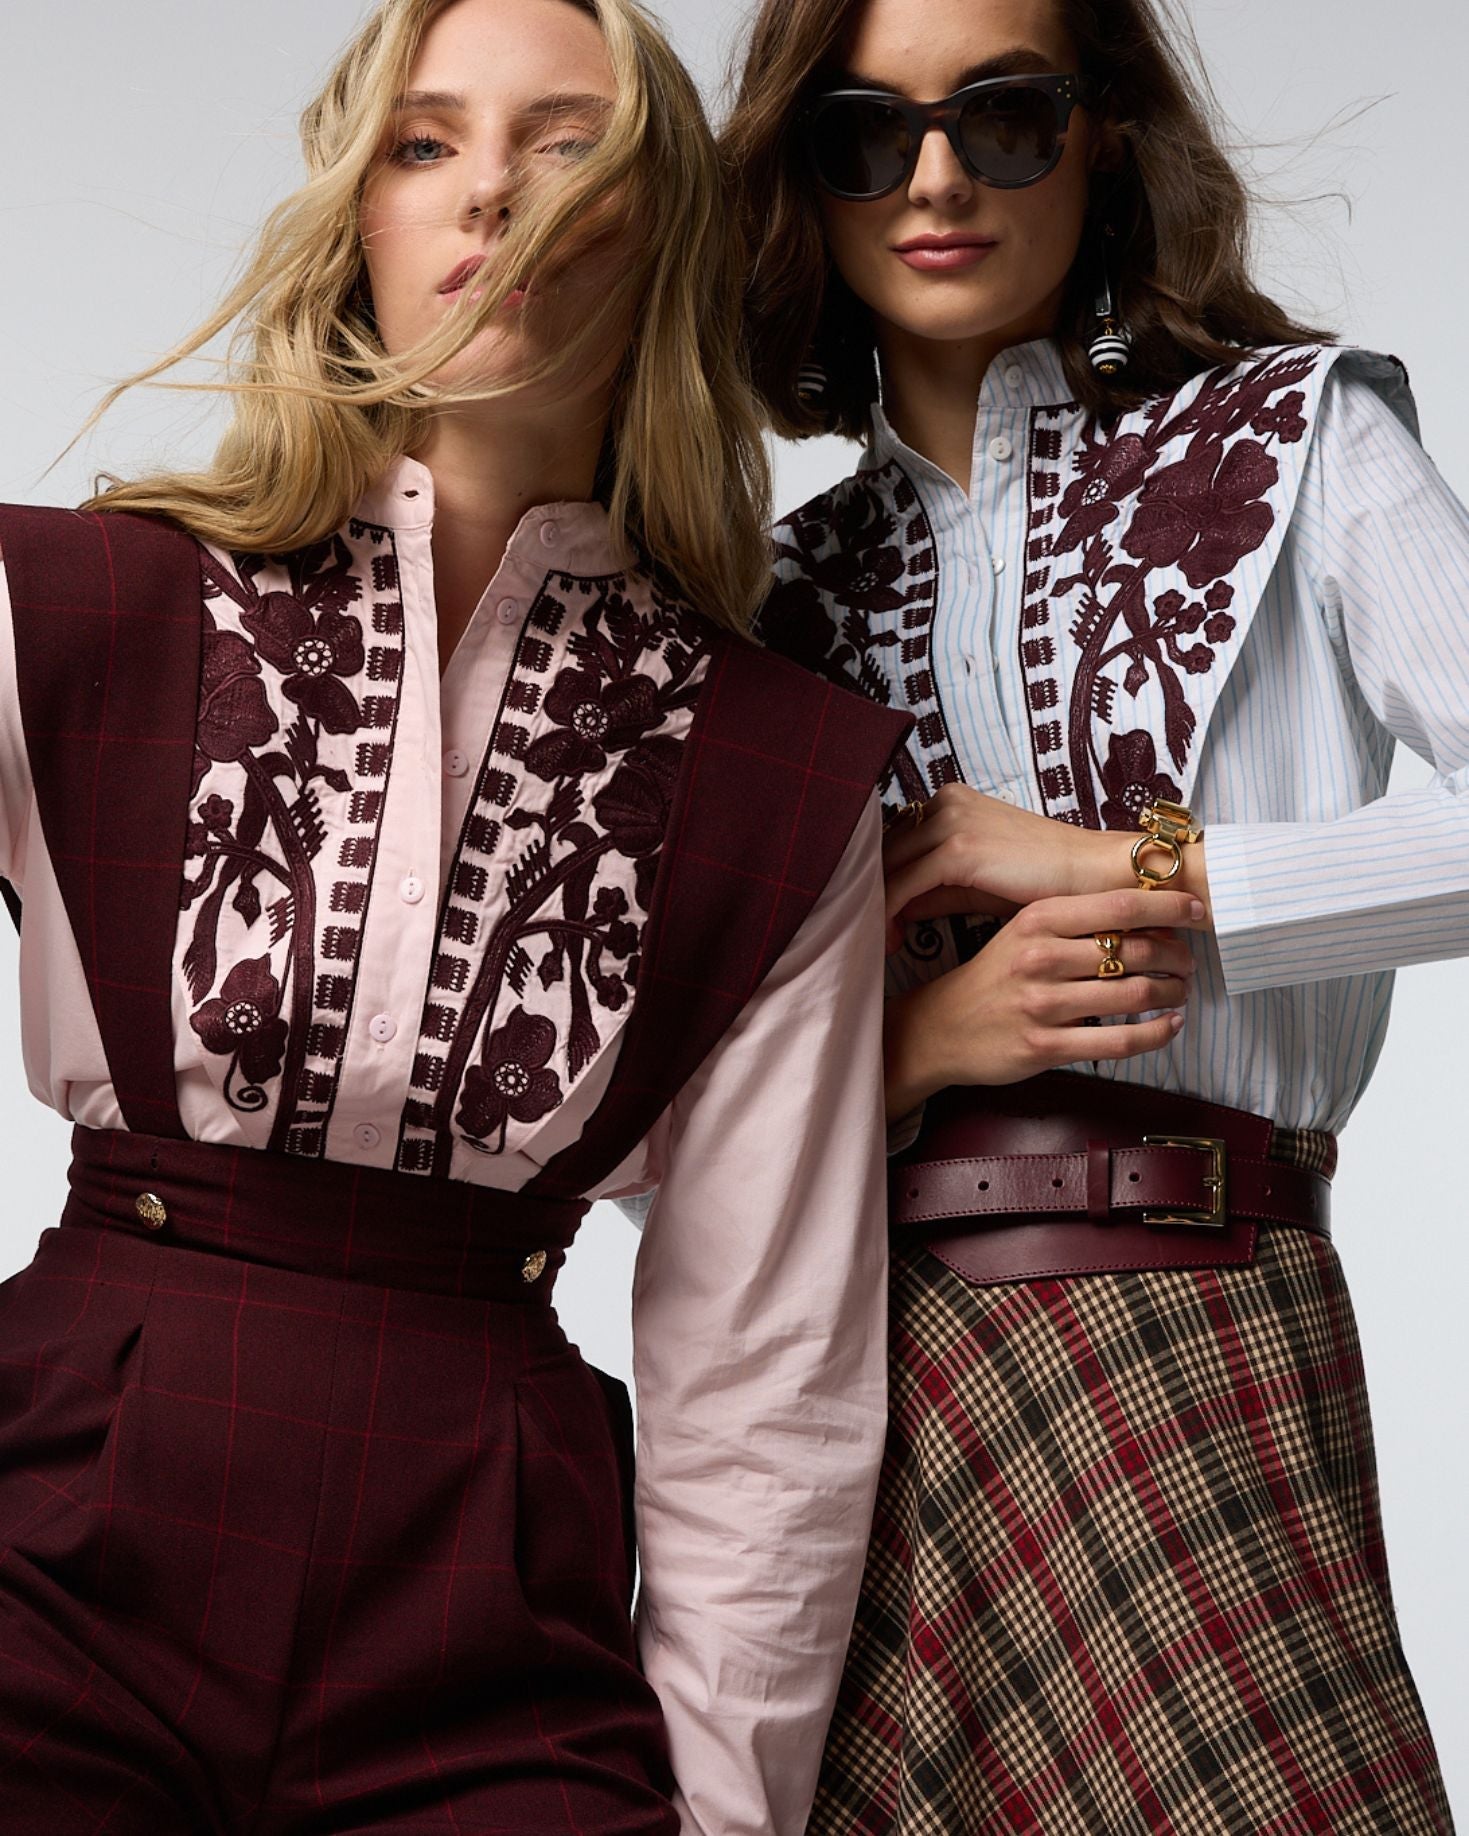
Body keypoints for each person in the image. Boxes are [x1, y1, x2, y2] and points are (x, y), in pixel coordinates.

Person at [0, 1, 909, 1830]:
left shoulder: (782, 775)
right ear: (360, 216)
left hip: (487, 1587)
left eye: (568, 145)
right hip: (62, 1519)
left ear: (664, 232)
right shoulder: (66, 605)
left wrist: (723, 1816)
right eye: (425, 144)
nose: (491, 190)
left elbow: (767, 1371)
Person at [724, 0, 1459, 1827]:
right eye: (861, 133)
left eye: (1003, 116)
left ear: (1104, 129)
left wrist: (1133, 869)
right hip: (866, 1395)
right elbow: (661, 1149)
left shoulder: (1296, 440)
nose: (933, 181)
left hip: (1200, 1323)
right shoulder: (770, 604)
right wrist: (909, 1049)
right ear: (798, 181)